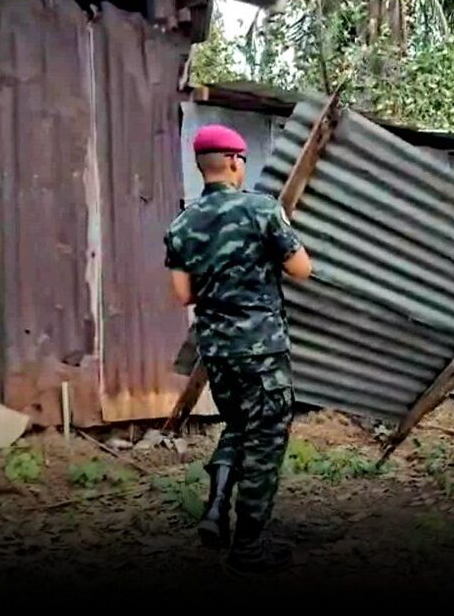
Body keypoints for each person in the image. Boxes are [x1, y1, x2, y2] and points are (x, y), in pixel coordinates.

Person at [164, 124, 313, 575]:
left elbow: (182, 294)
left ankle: (215, 510)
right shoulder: (261, 211)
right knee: (265, 440)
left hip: (218, 353)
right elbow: (301, 269)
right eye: (243, 160)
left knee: (238, 425)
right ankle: (249, 546)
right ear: (233, 161)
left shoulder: (181, 224)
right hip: (262, 352)